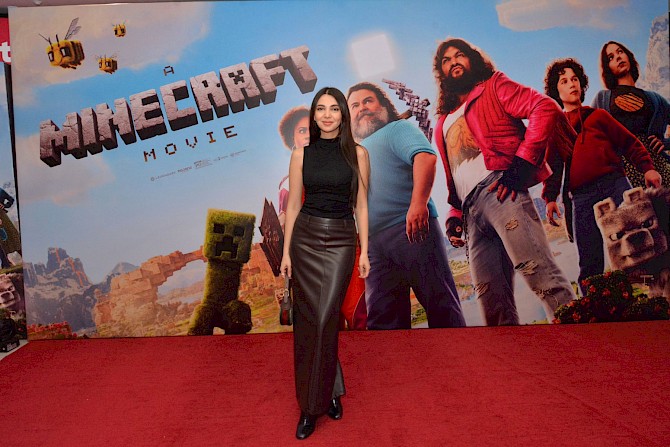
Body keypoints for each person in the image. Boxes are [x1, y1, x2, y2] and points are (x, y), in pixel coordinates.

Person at [432, 38, 576, 326]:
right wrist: (455, 214)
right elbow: (454, 174)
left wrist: (521, 166)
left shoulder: (494, 85)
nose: (454, 62)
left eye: (459, 55)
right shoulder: (442, 121)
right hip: (471, 213)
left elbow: (544, 107)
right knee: (493, 308)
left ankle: (583, 344)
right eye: (446, 60)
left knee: (543, 279)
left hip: (502, 191)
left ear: (472, 59)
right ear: (441, 72)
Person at [280, 87, 370, 440]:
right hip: (305, 238)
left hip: (342, 239)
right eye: (321, 109)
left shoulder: (358, 154)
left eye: (334, 109)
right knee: (310, 321)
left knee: (326, 317)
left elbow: (361, 205)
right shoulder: (300, 154)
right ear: (314, 115)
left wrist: (366, 250)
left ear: (342, 114)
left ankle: (325, 390)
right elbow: (292, 206)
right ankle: (311, 405)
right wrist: (286, 252)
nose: (328, 115)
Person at [346, 81, 465, 330]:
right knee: (382, 319)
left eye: (368, 101)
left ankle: (456, 355)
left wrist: (418, 204)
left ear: (383, 105)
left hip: (411, 228)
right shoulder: (354, 153)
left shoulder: (397, 129)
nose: (362, 108)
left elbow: (425, 157)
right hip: (373, 243)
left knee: (440, 305)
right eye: (354, 106)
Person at [543, 58, 661, 295]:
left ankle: (656, 296)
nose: (572, 84)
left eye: (575, 79)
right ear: (557, 92)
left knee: (640, 244)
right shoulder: (557, 129)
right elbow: (552, 167)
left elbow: (629, 143)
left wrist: (647, 168)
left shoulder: (598, 116)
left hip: (614, 185)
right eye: (564, 81)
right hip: (581, 197)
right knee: (589, 260)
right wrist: (550, 199)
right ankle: (595, 307)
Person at [592, 40, 670, 188]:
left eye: (620, 52)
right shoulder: (602, 99)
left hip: (658, 165)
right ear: (607, 67)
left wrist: (666, 143)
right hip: (622, 170)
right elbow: (590, 138)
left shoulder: (654, 98)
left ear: (628, 56)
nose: (618, 57)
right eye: (610, 57)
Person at [277, 106, 310, 227]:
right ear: (293, 139)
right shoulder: (287, 183)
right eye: (302, 131)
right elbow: (283, 221)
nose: (308, 135)